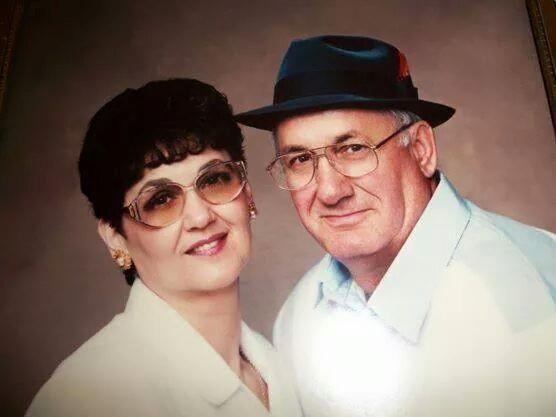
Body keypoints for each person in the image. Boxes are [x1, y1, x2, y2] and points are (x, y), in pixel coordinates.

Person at [236, 35, 556, 417]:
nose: (330, 190)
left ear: (421, 149)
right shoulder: (299, 316)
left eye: (353, 149)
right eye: (300, 159)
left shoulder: (528, 307)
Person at [26, 79, 302, 417]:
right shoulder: (86, 396)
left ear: (247, 192)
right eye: (160, 200)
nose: (200, 217)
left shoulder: (276, 363)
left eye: (214, 179)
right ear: (115, 237)